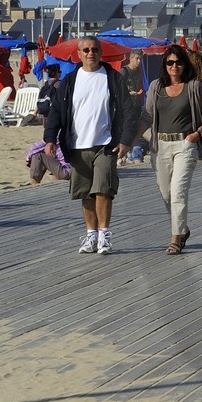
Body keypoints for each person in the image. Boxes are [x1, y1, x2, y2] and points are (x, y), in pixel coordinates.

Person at [43, 37, 137, 255]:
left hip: (106, 145)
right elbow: (56, 112)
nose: (90, 53)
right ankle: (90, 236)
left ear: (100, 52)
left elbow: (129, 110)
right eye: (86, 50)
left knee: (103, 190)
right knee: (85, 193)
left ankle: (104, 235)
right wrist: (49, 138)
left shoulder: (113, 78)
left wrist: (125, 140)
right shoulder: (69, 81)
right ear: (79, 53)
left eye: (94, 49)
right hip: (77, 146)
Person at [134, 44, 202, 255]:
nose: (174, 66)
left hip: (184, 145)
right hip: (160, 146)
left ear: (184, 64)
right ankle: (183, 229)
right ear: (165, 65)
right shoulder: (156, 87)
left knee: (178, 192)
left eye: (178, 62)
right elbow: (147, 116)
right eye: (170, 62)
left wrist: (198, 134)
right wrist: (129, 141)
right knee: (166, 194)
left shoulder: (193, 87)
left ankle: (175, 238)